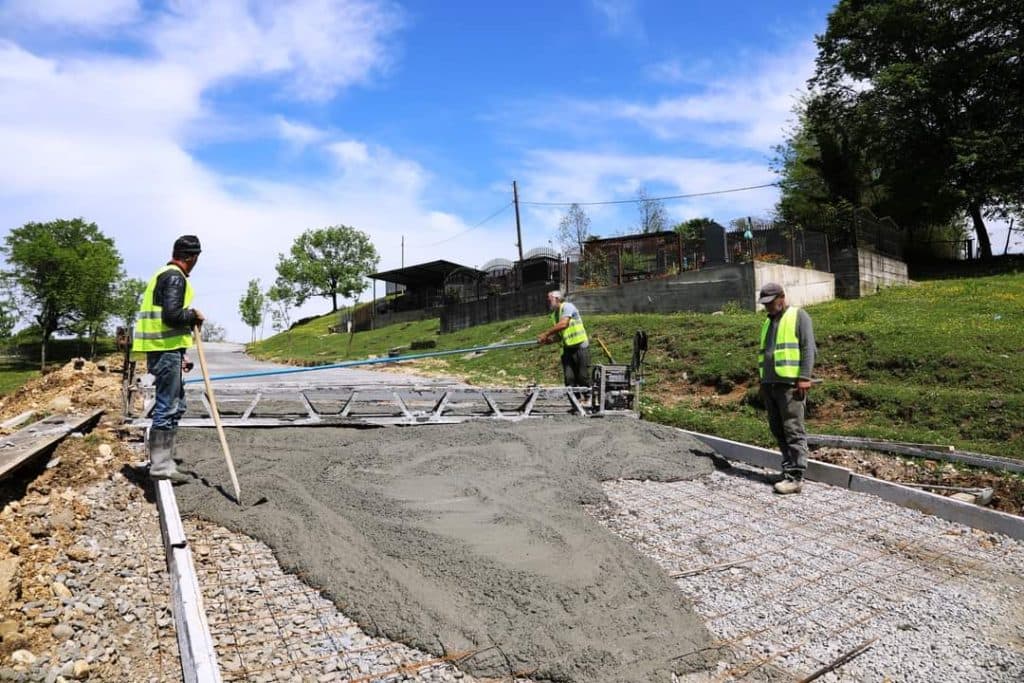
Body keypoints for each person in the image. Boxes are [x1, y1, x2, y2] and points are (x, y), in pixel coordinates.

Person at [132, 235, 205, 483]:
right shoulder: (175, 277)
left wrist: (181, 353)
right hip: (164, 351)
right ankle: (161, 467)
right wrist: (192, 315)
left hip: (166, 350)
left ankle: (165, 461)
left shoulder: (164, 274)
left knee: (177, 405)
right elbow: (172, 316)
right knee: (168, 406)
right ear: (193, 257)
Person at [757, 282, 816, 494]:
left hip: (790, 385)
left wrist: (804, 377)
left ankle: (796, 477)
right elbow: (766, 354)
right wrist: (763, 381)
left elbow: (808, 348)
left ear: (782, 297)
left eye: (771, 303)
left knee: (793, 430)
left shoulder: (798, 316)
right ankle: (787, 469)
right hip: (770, 384)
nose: (768, 307)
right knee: (777, 429)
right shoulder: (768, 322)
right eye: (765, 304)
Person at [538, 290, 591, 388]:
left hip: (580, 347)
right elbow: (559, 336)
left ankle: (587, 398)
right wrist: (548, 341)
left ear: (557, 299)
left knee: (583, 376)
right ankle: (575, 399)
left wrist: (546, 334)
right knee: (569, 378)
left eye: (550, 300)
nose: (548, 302)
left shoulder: (567, 306)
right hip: (567, 348)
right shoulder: (555, 315)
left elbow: (564, 324)